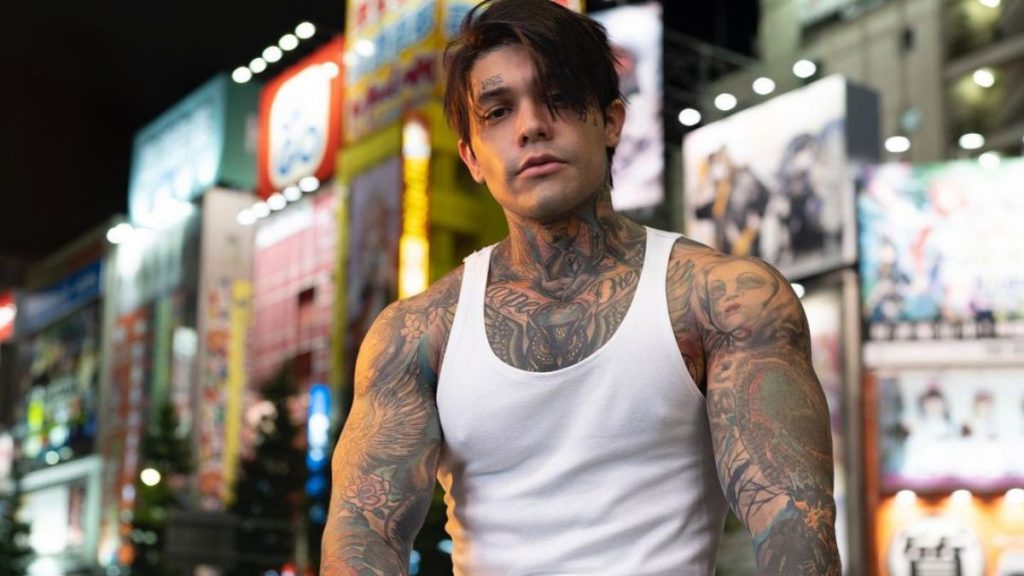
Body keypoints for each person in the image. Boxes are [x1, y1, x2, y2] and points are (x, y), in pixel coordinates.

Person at [321, 1, 840, 574]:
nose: (531, 126)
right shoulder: (416, 334)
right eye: (498, 111)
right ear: (471, 157)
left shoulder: (724, 299)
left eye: (559, 97)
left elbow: (796, 525)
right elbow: (363, 535)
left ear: (611, 121)